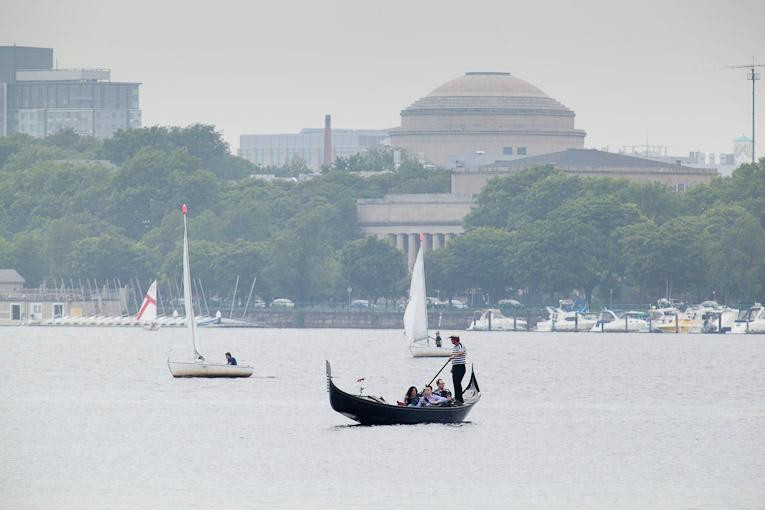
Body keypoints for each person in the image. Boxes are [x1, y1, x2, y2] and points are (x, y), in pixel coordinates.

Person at [450, 335, 466, 403]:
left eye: (452, 339)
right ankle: (457, 397)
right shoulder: (454, 347)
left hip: (460, 367)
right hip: (455, 367)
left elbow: (461, 353)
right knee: (455, 383)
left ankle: (460, 399)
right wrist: (452, 367)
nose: (451, 341)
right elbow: (455, 358)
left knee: (457, 383)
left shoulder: (461, 345)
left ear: (455, 340)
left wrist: (453, 357)